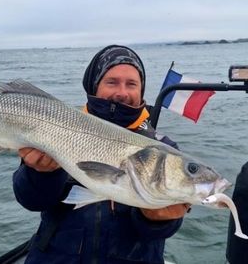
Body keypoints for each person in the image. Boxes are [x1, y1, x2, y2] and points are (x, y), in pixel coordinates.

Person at [12, 44, 190, 264]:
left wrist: (158, 219)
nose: (122, 92)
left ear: (141, 90)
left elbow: (158, 232)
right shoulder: (59, 127)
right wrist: (41, 173)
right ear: (94, 87)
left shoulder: (161, 149)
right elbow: (31, 200)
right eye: (112, 82)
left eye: (132, 84)